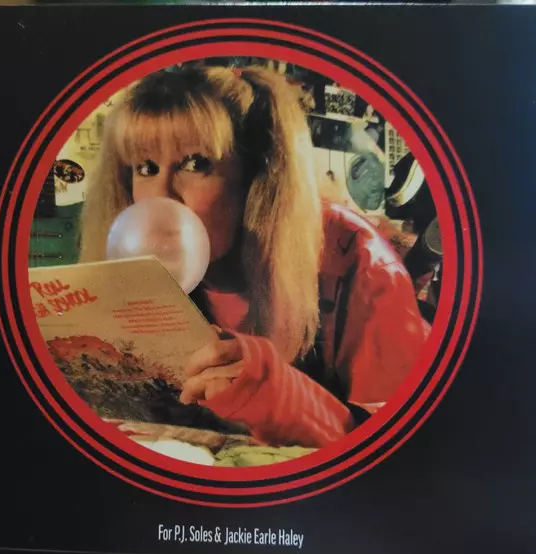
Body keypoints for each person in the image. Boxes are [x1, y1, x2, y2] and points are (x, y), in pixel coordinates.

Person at [80, 65, 428, 449]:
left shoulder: (362, 262)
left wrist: (275, 394)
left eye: (196, 163)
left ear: (257, 176)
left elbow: (401, 449)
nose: (161, 196)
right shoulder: (151, 267)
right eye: (145, 167)